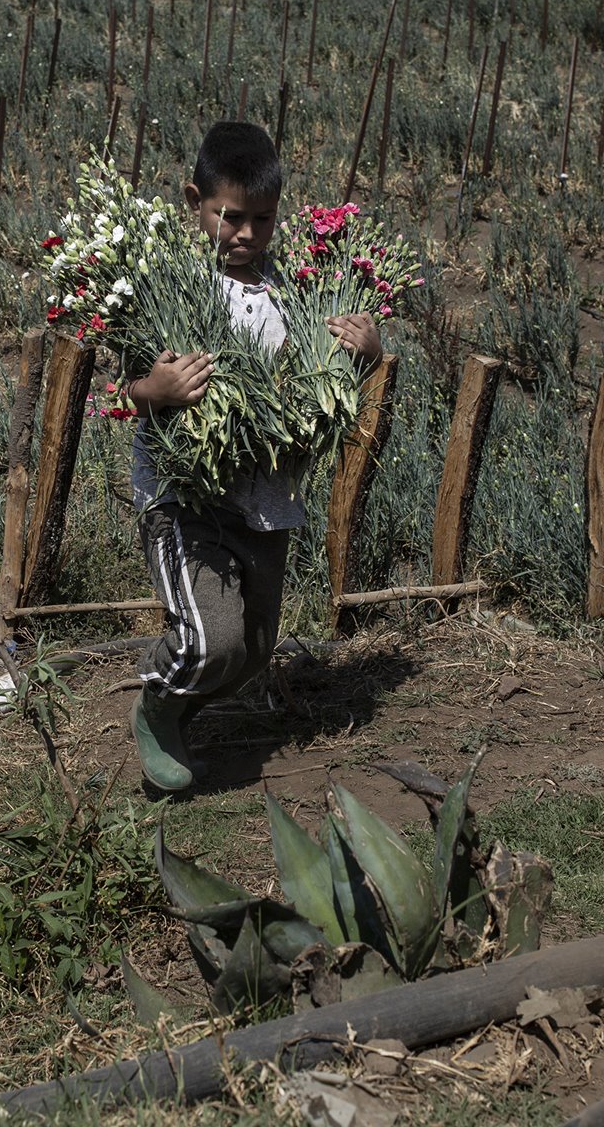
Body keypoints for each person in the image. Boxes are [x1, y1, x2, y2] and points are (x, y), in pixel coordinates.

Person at [121, 121, 381, 792]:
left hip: (265, 501)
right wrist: (160, 388)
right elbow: (129, 385)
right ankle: (156, 708)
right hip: (186, 497)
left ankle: (181, 709)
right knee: (213, 640)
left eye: (262, 220)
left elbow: (324, 379)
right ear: (194, 202)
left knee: (255, 648)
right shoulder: (168, 283)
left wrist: (366, 348)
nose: (244, 234)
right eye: (228, 217)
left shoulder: (294, 292)